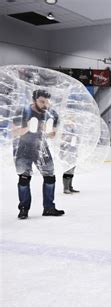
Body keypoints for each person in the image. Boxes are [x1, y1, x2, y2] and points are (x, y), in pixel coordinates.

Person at [12, 89, 65, 219]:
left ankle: (49, 208)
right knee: (24, 178)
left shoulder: (51, 114)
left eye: (47, 102)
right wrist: (27, 128)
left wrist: (50, 133)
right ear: (34, 100)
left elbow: (52, 135)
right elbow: (14, 132)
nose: (45, 104)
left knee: (50, 176)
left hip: (41, 147)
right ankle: (23, 208)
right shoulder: (22, 112)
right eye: (42, 101)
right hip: (23, 147)